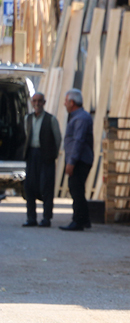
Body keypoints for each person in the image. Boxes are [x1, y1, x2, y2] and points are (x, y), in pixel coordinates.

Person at [22, 92, 61, 227]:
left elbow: (57, 139)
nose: (37, 104)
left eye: (39, 101)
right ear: (32, 103)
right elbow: (26, 136)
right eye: (34, 101)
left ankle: (46, 218)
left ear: (44, 103)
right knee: (29, 187)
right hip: (32, 155)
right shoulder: (27, 118)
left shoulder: (51, 119)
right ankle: (31, 218)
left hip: (46, 157)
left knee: (47, 187)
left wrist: (52, 155)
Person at [60, 88, 93, 231]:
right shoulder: (78, 116)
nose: (64, 104)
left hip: (79, 161)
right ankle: (85, 219)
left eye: (66, 101)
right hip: (79, 160)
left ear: (72, 102)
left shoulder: (81, 118)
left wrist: (71, 162)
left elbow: (78, 141)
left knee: (76, 190)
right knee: (78, 189)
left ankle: (78, 221)